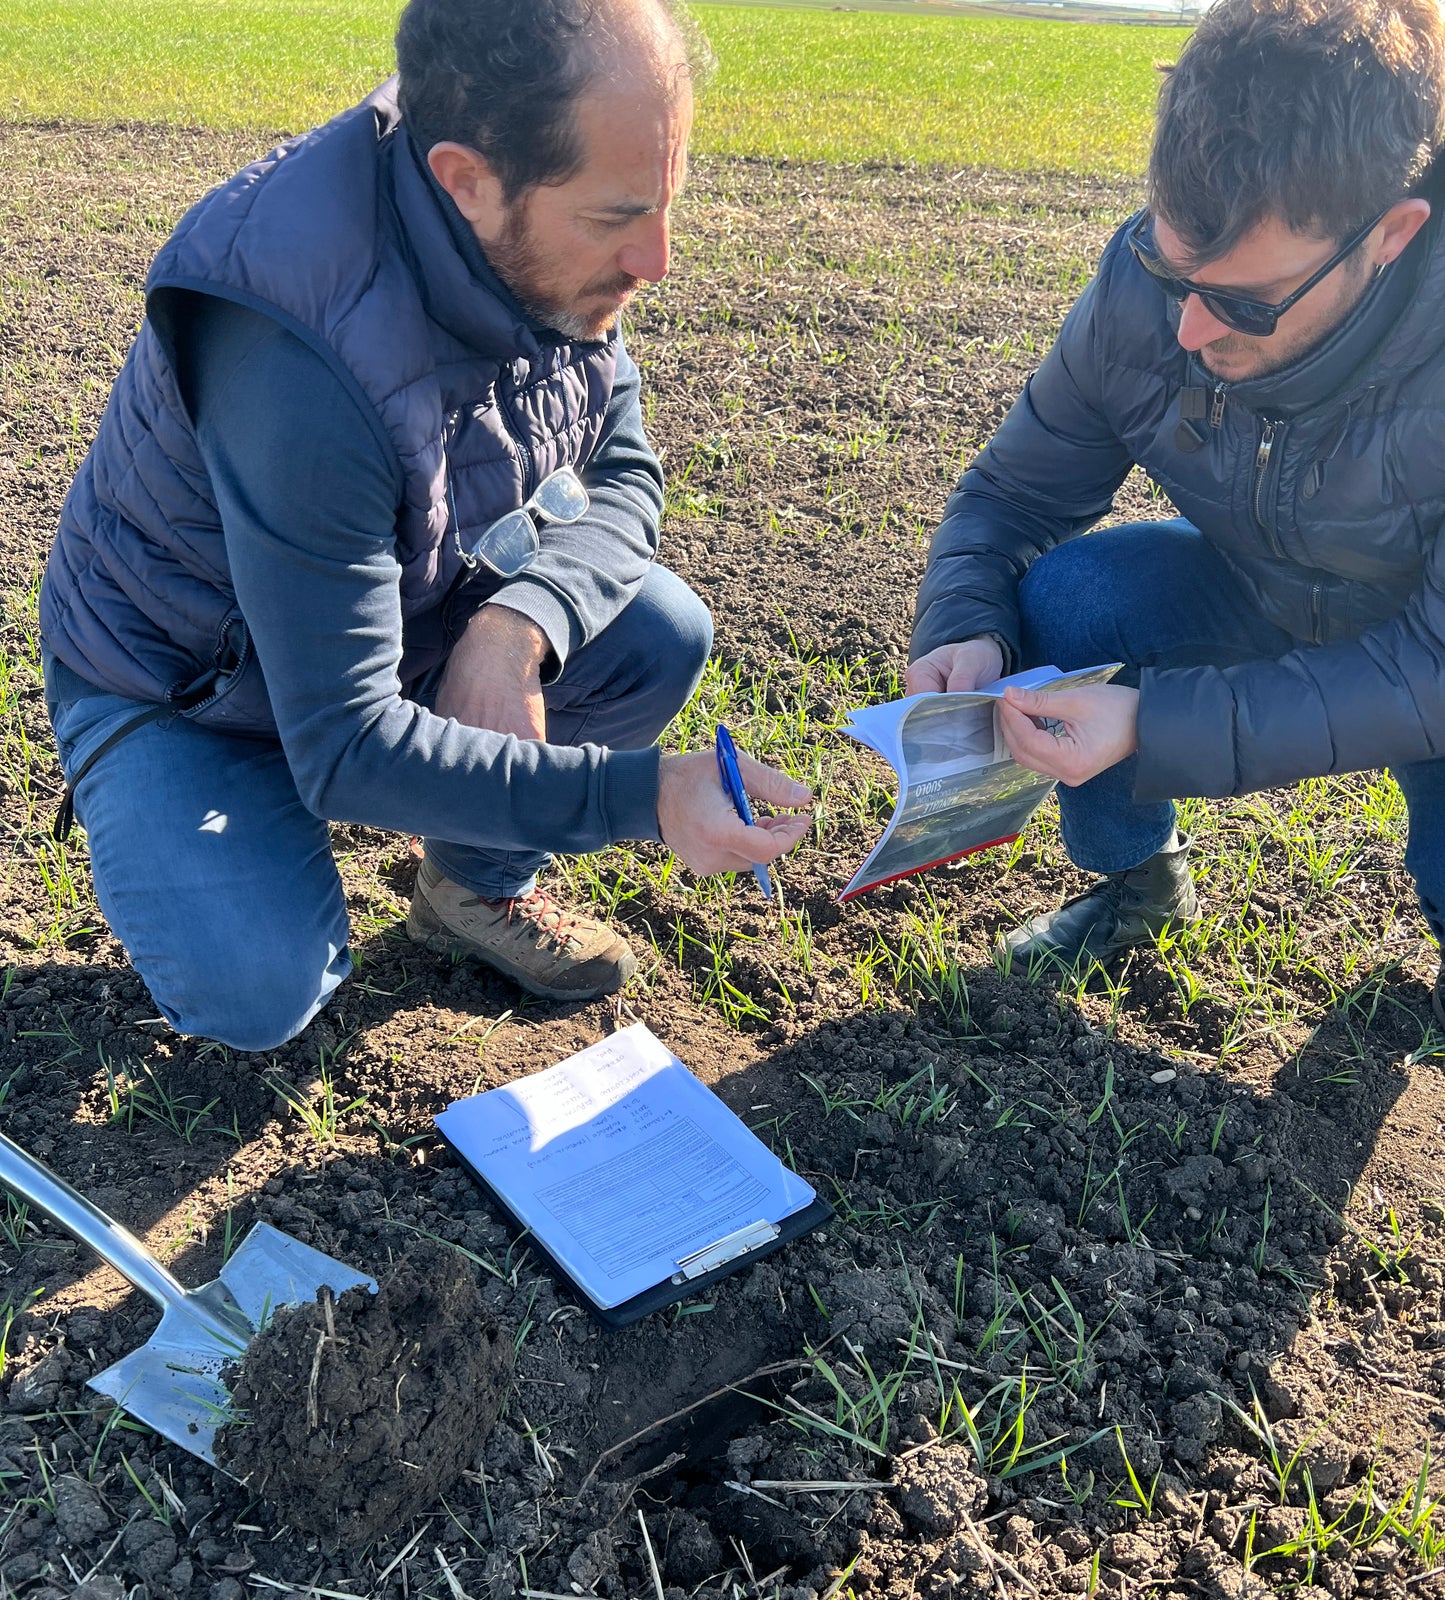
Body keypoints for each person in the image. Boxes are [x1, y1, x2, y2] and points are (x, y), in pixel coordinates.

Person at [39, 0, 811, 1051]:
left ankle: (473, 886)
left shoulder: (535, 243)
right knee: (261, 990)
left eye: (666, 204)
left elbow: (621, 466)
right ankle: (177, 813)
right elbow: (346, 742)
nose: (655, 260)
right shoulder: (299, 346)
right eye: (616, 215)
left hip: (397, 610)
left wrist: (517, 627)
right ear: (466, 180)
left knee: (653, 631)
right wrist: (650, 796)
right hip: (189, 684)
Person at [907, 0, 1445, 1017]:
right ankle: (1137, 889)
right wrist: (965, 623)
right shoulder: (1143, 295)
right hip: (1264, 587)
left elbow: (1431, 669)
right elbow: (1012, 493)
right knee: (1071, 599)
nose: (1190, 325)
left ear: (1389, 236)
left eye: (1241, 302)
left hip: (1431, 647)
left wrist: (1153, 722)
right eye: (1170, 270)